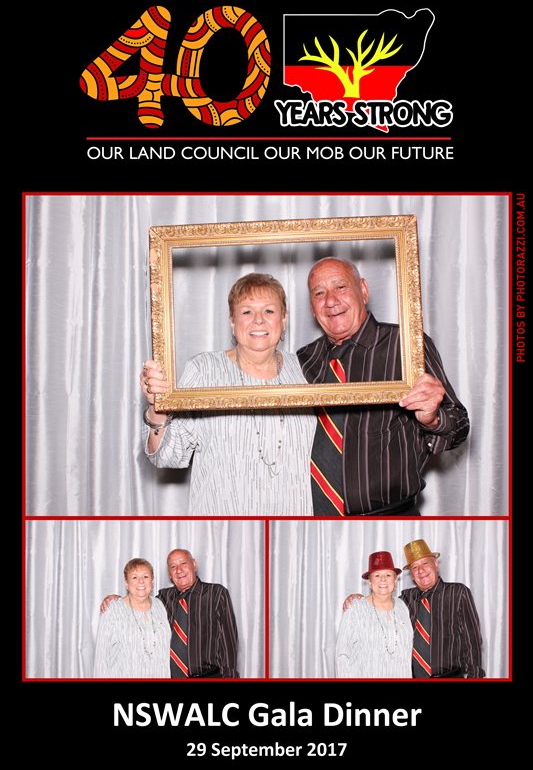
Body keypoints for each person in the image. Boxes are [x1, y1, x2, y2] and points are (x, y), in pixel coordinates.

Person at [297, 257, 470, 515]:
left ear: (363, 290)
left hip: (392, 517)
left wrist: (433, 419)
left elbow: (459, 428)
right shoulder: (304, 359)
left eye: (340, 287)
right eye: (319, 293)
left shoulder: (406, 346)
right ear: (312, 307)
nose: (330, 300)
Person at [142, 273, 316, 515]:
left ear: (284, 320)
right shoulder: (204, 370)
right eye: (247, 312)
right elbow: (168, 456)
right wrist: (158, 408)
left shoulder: (306, 370)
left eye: (269, 311)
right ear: (232, 322)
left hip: (294, 521)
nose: (258, 320)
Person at [344, 539, 485, 678]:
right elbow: (383, 602)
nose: (421, 570)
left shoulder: (458, 592)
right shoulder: (406, 599)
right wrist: (360, 599)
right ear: (411, 574)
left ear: (436, 564)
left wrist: (474, 676)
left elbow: (472, 641)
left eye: (425, 563)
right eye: (415, 567)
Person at [101, 549, 239, 678]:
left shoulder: (216, 593)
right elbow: (140, 602)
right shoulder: (163, 598)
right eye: (173, 566)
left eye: (183, 563)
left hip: (208, 676)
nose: (179, 570)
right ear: (169, 573)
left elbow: (229, 642)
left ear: (194, 564)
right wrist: (118, 599)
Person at [336, 551, 413, 678]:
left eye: (388, 575)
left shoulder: (402, 606)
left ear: (395, 580)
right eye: (377, 575)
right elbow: (342, 655)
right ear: (370, 582)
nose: (383, 579)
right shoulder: (355, 608)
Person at [93, 558, 170, 678]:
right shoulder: (113, 610)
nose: (141, 581)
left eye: (145, 576)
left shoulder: (159, 605)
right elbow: (101, 659)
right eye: (134, 577)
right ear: (126, 583)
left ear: (152, 580)